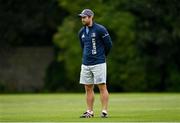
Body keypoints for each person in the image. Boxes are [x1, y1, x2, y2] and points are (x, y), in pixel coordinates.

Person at [78, 9, 112, 118]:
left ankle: (104, 111)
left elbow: (109, 45)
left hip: (99, 63)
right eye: (82, 17)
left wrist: (101, 56)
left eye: (84, 17)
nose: (82, 19)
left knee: (102, 86)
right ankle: (89, 111)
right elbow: (83, 47)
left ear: (91, 17)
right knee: (88, 88)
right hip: (85, 63)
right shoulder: (81, 32)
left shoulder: (100, 29)